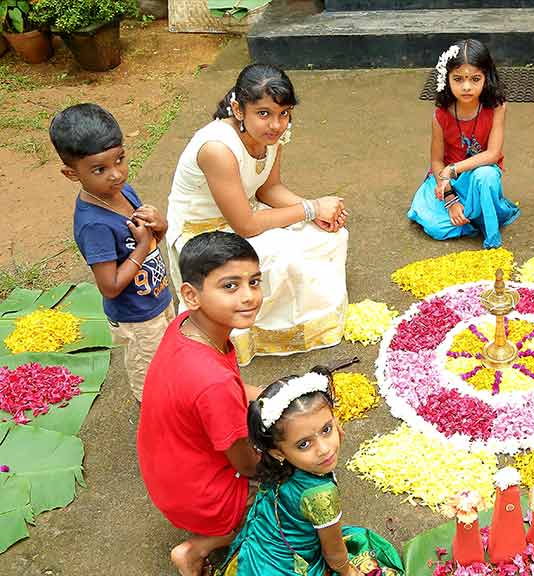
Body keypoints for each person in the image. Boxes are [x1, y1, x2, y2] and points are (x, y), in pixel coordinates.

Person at [166, 63, 349, 366]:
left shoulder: (274, 135)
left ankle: (302, 322)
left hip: (245, 215)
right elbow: (246, 225)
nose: (276, 125)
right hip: (203, 234)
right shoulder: (217, 149)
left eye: (284, 113)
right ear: (238, 109)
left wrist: (314, 212)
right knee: (283, 256)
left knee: (329, 237)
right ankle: (256, 334)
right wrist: (310, 208)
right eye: (263, 113)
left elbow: (268, 188)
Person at [137, 231, 263, 576]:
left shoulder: (185, 327)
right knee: (303, 482)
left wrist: (278, 394)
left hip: (169, 476)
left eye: (254, 281)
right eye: (230, 286)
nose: (249, 296)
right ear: (191, 295)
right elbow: (249, 466)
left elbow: (233, 390)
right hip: (202, 499)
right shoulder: (213, 382)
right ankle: (200, 546)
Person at [217, 367, 405, 576]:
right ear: (278, 452)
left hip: (257, 557)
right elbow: (334, 555)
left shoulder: (276, 468)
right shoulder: (321, 494)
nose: (324, 449)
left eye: (326, 429)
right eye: (304, 444)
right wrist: (349, 572)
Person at [51, 103, 173, 403]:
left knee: (169, 363)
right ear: (71, 173)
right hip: (137, 317)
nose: (116, 174)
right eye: (99, 169)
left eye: (119, 159)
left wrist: (161, 225)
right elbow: (110, 286)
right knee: (150, 381)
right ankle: (156, 422)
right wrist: (143, 247)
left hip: (158, 298)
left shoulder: (123, 192)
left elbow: (152, 238)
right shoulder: (94, 225)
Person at [407, 39, 519, 249]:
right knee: (436, 227)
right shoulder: (440, 115)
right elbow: (437, 161)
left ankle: (486, 226)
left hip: (480, 175)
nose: (466, 86)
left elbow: (493, 154)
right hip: (449, 180)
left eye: (475, 79)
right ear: (446, 79)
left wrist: (454, 169)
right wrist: (449, 198)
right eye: (458, 79)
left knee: (485, 176)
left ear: (487, 78)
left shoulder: (496, 107)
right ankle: (476, 214)